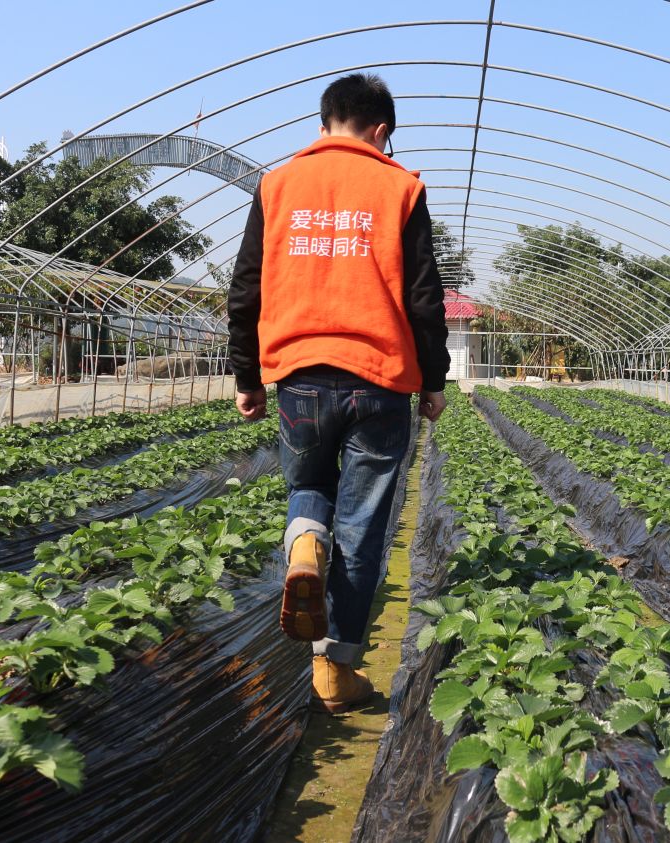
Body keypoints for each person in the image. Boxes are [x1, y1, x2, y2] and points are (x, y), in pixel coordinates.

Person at [227, 73, 449, 714]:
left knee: (311, 488)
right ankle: (335, 672)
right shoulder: (400, 186)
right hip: (378, 380)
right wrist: (432, 381)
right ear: (381, 131)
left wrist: (248, 376)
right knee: (364, 526)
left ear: (325, 122)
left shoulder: (277, 185)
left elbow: (246, 290)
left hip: (298, 375)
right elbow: (424, 298)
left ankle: (302, 545)